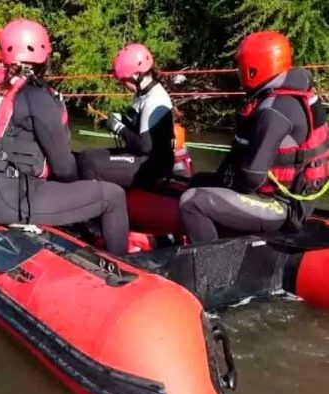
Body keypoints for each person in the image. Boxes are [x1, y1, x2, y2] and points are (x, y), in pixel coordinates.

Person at [0, 19, 129, 255]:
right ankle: (123, 267)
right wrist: (81, 187)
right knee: (113, 195)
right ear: (42, 57)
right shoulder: (36, 95)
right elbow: (65, 168)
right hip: (4, 199)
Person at [179, 31, 329, 243]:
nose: (239, 73)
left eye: (241, 68)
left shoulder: (273, 110)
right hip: (292, 199)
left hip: (281, 207)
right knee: (198, 180)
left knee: (192, 202)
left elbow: (252, 177)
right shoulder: (294, 95)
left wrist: (227, 181)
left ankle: (215, 272)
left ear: (253, 70)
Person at [77, 43, 175, 188]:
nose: (123, 85)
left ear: (136, 75)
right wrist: (121, 120)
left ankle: (100, 202)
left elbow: (144, 146)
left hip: (152, 165)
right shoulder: (142, 94)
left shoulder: (155, 99)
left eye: (124, 81)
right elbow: (137, 128)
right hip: (139, 156)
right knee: (85, 156)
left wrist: (119, 128)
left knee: (90, 164)